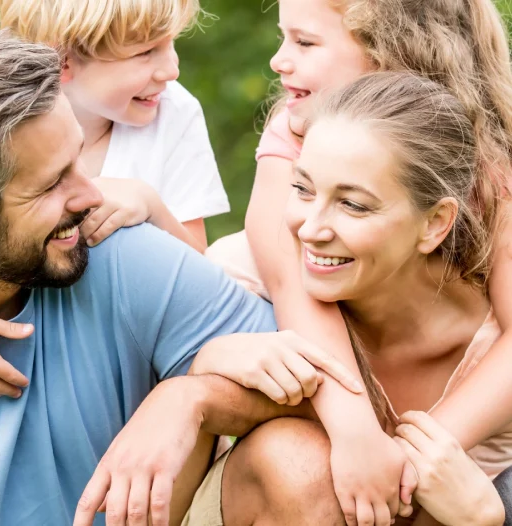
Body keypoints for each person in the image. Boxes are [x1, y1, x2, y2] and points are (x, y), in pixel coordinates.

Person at [0, 28, 359, 526]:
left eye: (80, 160)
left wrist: (191, 397)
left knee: (298, 460)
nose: (92, 196)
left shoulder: (118, 252)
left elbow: (331, 392)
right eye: (52, 183)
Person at [203, 0, 512, 523]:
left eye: (304, 41)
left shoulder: (488, 166)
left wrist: (415, 455)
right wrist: (357, 431)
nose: (279, 61)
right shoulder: (296, 128)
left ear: (386, 54)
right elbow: (293, 281)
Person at [0, 0, 230, 398]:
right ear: (61, 59)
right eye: (144, 53)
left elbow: (197, 276)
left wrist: (152, 205)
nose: (171, 68)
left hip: (129, 376)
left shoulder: (172, 112)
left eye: (171, 44)